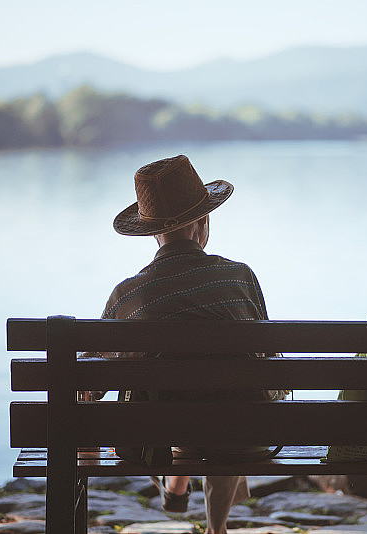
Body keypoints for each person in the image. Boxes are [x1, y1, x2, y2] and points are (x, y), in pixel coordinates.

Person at [79, 154, 285, 534]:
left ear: (153, 233)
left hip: (155, 440)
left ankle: (176, 481)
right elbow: (270, 360)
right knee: (231, 407)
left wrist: (86, 441)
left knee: (167, 414)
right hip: (243, 435)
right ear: (203, 223)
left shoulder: (128, 296)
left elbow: (90, 384)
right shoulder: (240, 278)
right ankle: (216, 527)